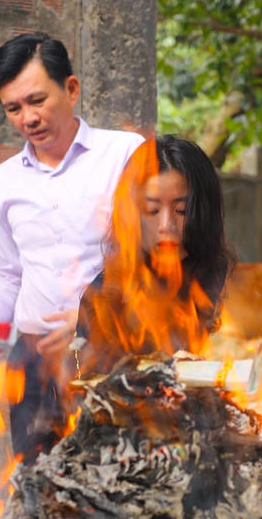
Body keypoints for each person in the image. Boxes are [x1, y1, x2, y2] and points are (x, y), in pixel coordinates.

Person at [0, 32, 144, 463]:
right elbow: (9, 273)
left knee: (113, 488)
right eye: (13, 109)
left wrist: (91, 317)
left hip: (108, 356)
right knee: (36, 490)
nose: (27, 118)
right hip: (32, 364)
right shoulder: (3, 182)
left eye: (36, 100)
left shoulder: (125, 155)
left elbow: (145, 262)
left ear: (71, 89)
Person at [76, 134, 233, 371]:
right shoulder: (103, 296)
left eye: (182, 210)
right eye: (152, 210)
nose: (166, 224)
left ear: (203, 212)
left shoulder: (219, 278)